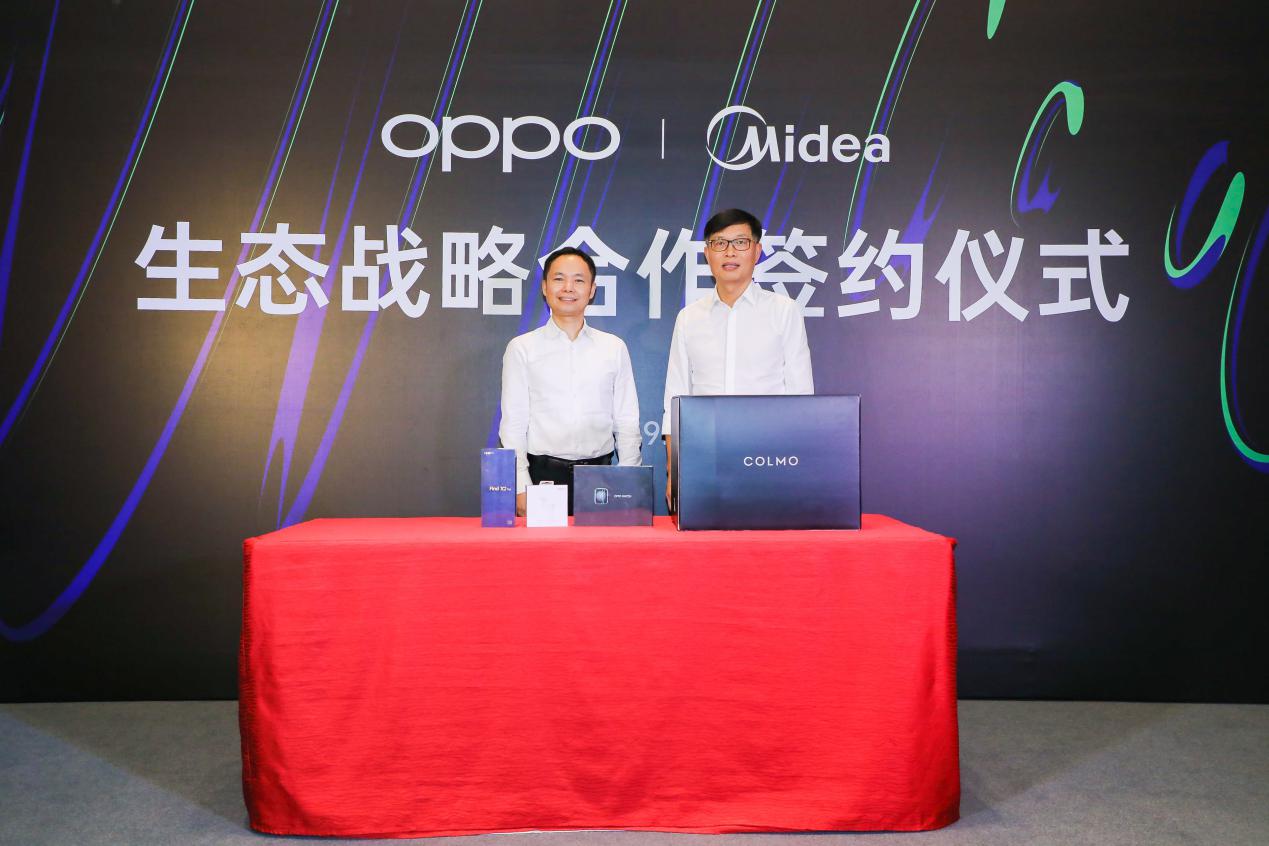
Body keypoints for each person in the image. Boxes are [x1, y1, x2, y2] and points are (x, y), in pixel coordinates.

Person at [661, 208, 814, 506]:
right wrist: (673, 470)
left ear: (757, 251)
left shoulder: (784, 311)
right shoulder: (689, 318)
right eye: (719, 243)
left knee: (767, 533)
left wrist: (798, 466)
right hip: (704, 455)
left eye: (740, 242)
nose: (729, 252)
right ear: (707, 253)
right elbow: (675, 397)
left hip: (769, 455)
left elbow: (801, 396)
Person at [499, 247, 642, 516]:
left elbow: (626, 419)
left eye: (578, 280)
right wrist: (520, 485)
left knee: (605, 545)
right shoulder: (522, 348)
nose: (568, 288)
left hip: (601, 478)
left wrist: (629, 479)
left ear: (592, 289)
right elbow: (513, 423)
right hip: (542, 478)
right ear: (545, 287)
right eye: (558, 279)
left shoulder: (613, 347)